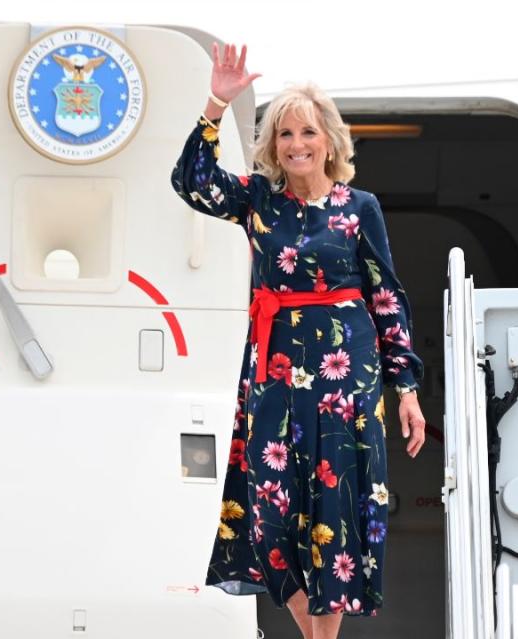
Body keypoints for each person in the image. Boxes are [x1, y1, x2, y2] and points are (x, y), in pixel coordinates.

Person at [171, 43, 427, 639]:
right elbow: (192, 181)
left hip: (347, 377)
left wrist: (407, 386)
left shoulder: (359, 208)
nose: (295, 144)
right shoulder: (260, 200)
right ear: (273, 145)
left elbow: (385, 298)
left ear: (329, 141)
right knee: (272, 510)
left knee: (334, 509)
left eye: (307, 132)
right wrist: (216, 104)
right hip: (277, 373)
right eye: (284, 134)